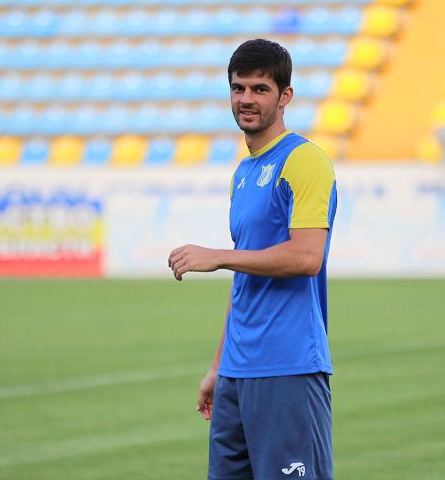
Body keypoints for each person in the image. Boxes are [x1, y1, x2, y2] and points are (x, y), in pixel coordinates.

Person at [168, 38, 337, 480]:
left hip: (287, 365)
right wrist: (217, 367)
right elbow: (245, 280)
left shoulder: (304, 161)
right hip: (235, 373)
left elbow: (307, 256)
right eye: (238, 87)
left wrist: (218, 257)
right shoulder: (242, 173)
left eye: (260, 89)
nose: (246, 99)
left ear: (285, 96)